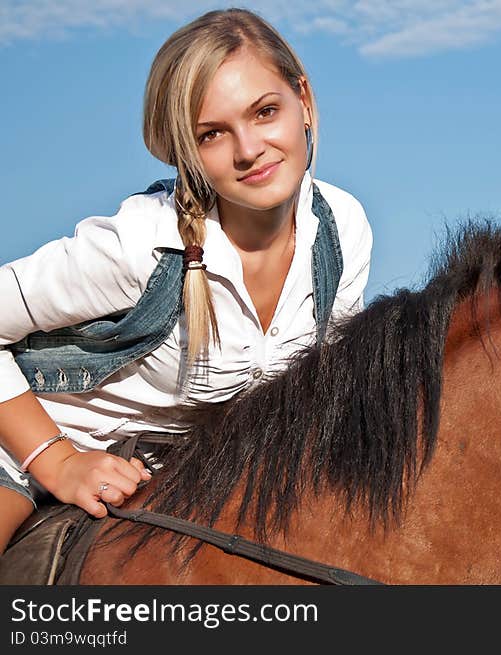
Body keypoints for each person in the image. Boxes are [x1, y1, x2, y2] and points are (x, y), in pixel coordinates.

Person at [0, 8, 372, 554]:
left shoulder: (343, 229)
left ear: (305, 102)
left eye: (265, 112)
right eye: (212, 134)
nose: (249, 149)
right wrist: (57, 461)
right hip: (29, 447)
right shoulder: (140, 245)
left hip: (185, 471)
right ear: (184, 153)